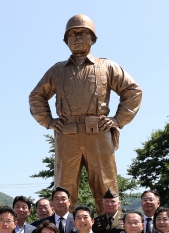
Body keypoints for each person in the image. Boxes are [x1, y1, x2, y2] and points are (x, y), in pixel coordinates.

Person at [29, 14, 142, 215]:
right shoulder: (57, 70)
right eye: (72, 34)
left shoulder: (107, 66)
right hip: (67, 134)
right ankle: (63, 231)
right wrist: (48, 121)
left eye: (83, 33)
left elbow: (132, 91)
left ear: (93, 39)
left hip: (98, 132)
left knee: (106, 186)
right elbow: (37, 96)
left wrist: (117, 120)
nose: (78, 37)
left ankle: (113, 230)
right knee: (64, 188)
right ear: (66, 41)